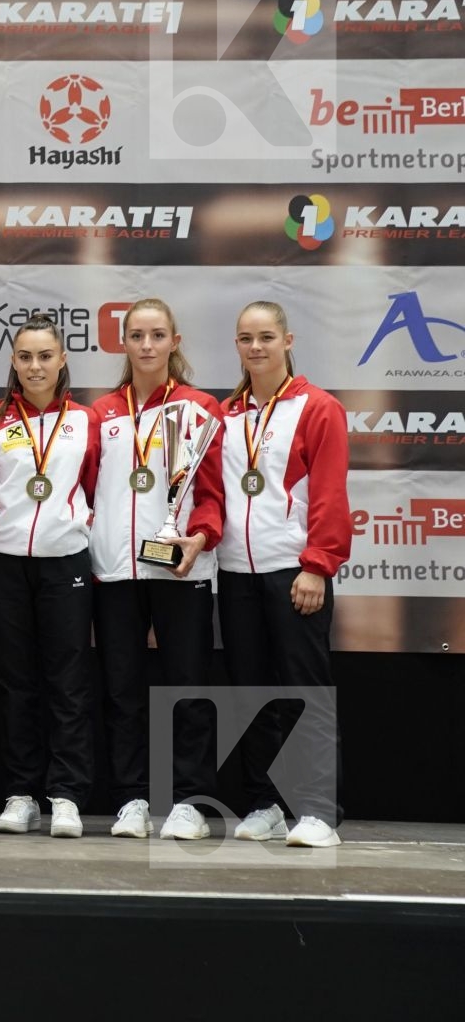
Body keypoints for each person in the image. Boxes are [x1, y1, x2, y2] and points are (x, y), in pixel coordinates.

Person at [206, 301, 351, 848]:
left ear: (288, 341)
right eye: (246, 338)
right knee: (250, 695)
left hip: (294, 572)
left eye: (266, 337)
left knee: (303, 692)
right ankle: (264, 803)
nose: (256, 347)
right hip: (235, 572)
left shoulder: (318, 408)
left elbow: (331, 494)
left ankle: (318, 810)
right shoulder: (226, 414)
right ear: (236, 345)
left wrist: (318, 565)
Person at [87, 299, 223, 842]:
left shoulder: (199, 408)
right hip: (115, 573)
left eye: (157, 335)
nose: (147, 345)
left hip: (181, 569)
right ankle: (132, 799)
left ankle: (190, 802)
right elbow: (85, 490)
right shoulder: (101, 414)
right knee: (122, 692)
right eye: (137, 335)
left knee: (187, 688)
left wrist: (200, 537)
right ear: (122, 342)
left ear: (175, 341)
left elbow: (212, 494)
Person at [0, 314, 100, 839]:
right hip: (5, 561)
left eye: (45, 356)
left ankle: (66, 795)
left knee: (67, 680)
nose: (35, 366)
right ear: (13, 361)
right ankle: (21, 794)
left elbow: (95, 486)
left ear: (62, 359)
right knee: (14, 679)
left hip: (65, 560)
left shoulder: (86, 419)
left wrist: (73, 525)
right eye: (25, 357)